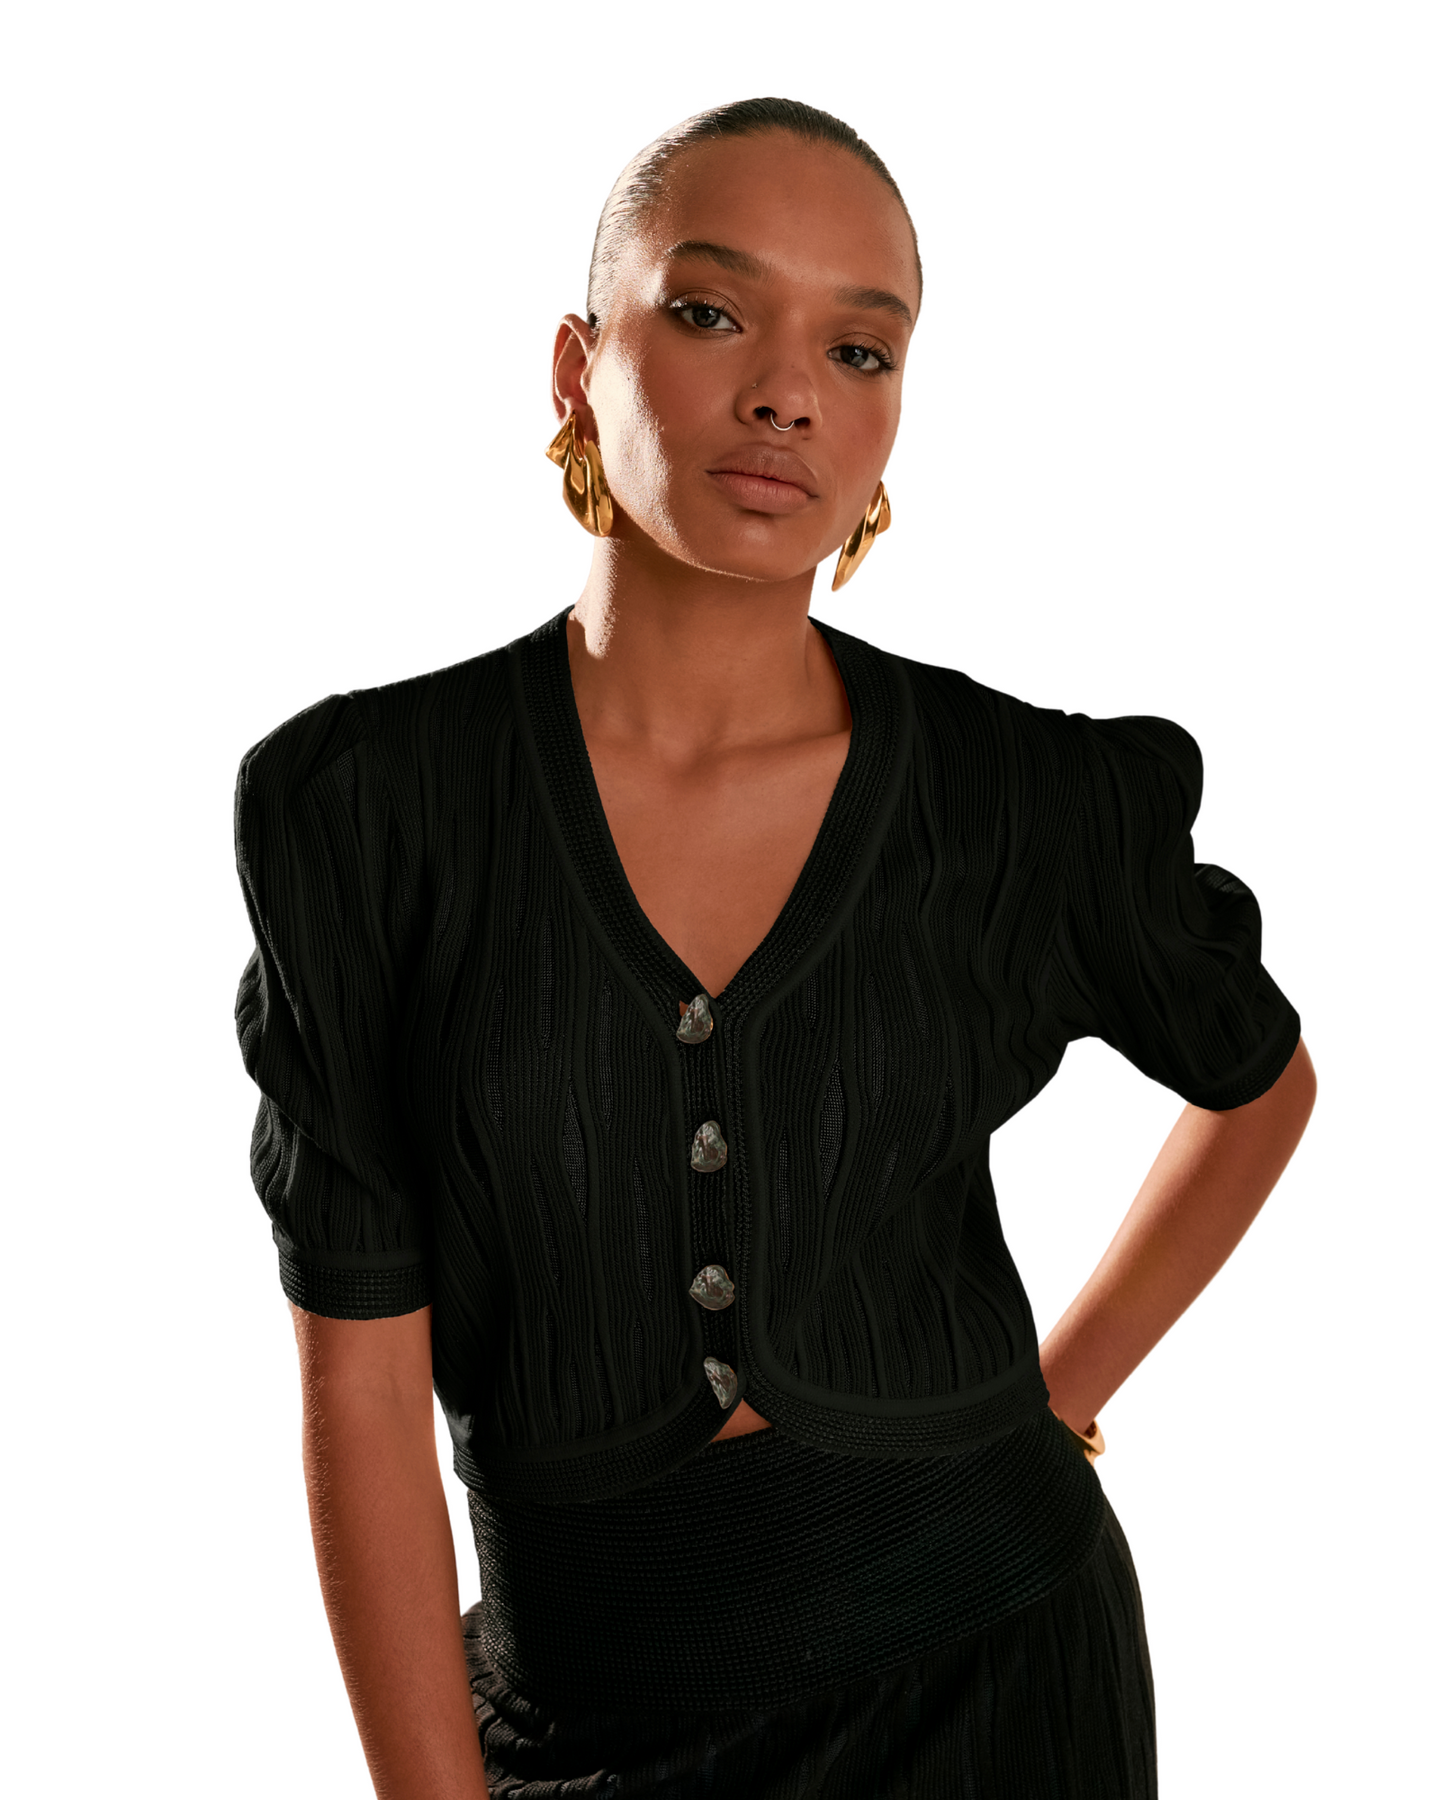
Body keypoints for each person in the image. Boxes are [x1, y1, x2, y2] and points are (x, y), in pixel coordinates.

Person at [234, 97, 1316, 1799]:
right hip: (581, 1703)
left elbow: (1257, 1083)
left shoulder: (1015, 796)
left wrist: (1059, 1399)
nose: (788, 393)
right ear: (579, 368)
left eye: (860, 349)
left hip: (999, 1673)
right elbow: (360, 1377)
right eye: (712, 311)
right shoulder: (370, 807)